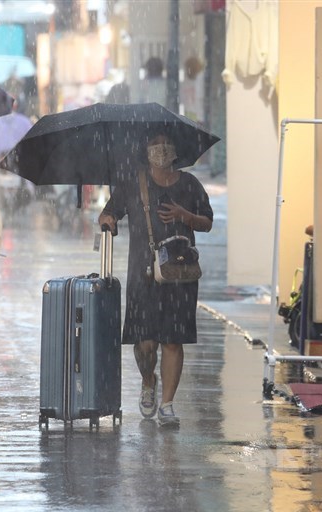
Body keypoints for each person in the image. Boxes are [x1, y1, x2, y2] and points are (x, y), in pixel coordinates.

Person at [98, 132, 213, 427]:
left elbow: (207, 222)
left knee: (173, 341)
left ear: (175, 150)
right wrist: (107, 219)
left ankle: (167, 405)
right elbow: (108, 212)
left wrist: (184, 215)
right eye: (154, 145)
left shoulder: (189, 184)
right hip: (143, 273)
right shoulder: (132, 183)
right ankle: (149, 380)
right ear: (146, 150)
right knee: (145, 343)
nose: (161, 150)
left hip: (180, 272)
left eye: (166, 144)